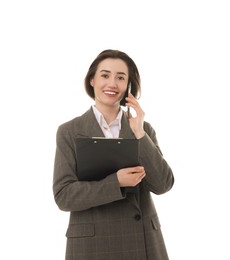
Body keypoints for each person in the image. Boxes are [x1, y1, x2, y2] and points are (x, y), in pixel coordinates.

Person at [53, 49, 174, 260]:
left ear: (128, 84)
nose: (112, 83)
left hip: (141, 240)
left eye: (120, 77)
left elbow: (163, 184)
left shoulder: (143, 130)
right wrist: (115, 182)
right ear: (92, 80)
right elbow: (64, 196)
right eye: (105, 75)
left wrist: (139, 132)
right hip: (91, 244)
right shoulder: (69, 131)